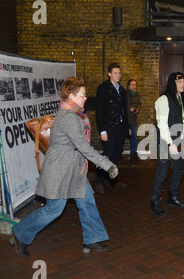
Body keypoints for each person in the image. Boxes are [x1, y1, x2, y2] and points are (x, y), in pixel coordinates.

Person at [10, 77, 118, 258]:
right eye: (83, 95)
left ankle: (92, 239)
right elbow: (83, 147)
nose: (86, 99)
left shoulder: (73, 116)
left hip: (74, 170)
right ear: (71, 96)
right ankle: (21, 233)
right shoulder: (69, 119)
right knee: (54, 210)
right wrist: (107, 165)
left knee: (87, 201)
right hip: (60, 171)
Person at [150, 72, 184, 217]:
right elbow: (162, 124)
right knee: (162, 173)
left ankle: (173, 197)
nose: (182, 85)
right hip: (165, 141)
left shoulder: (182, 100)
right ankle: (154, 202)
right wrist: (170, 143)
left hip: (177, 141)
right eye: (179, 82)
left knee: (179, 170)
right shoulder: (163, 100)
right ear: (172, 83)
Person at [94, 63, 129, 193]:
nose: (118, 75)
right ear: (109, 74)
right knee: (107, 155)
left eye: (119, 73)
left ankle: (112, 178)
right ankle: (98, 181)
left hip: (120, 127)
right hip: (109, 128)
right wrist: (102, 130)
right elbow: (100, 111)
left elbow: (124, 111)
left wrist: (127, 127)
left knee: (117, 153)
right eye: (115, 73)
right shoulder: (103, 88)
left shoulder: (122, 90)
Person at [126, 79, 142, 158]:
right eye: (132, 85)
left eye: (135, 85)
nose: (134, 86)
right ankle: (118, 152)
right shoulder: (125, 94)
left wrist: (138, 109)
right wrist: (129, 108)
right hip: (126, 119)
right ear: (128, 86)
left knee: (134, 135)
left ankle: (133, 152)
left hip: (133, 119)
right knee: (122, 136)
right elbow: (124, 104)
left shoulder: (137, 95)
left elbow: (139, 104)